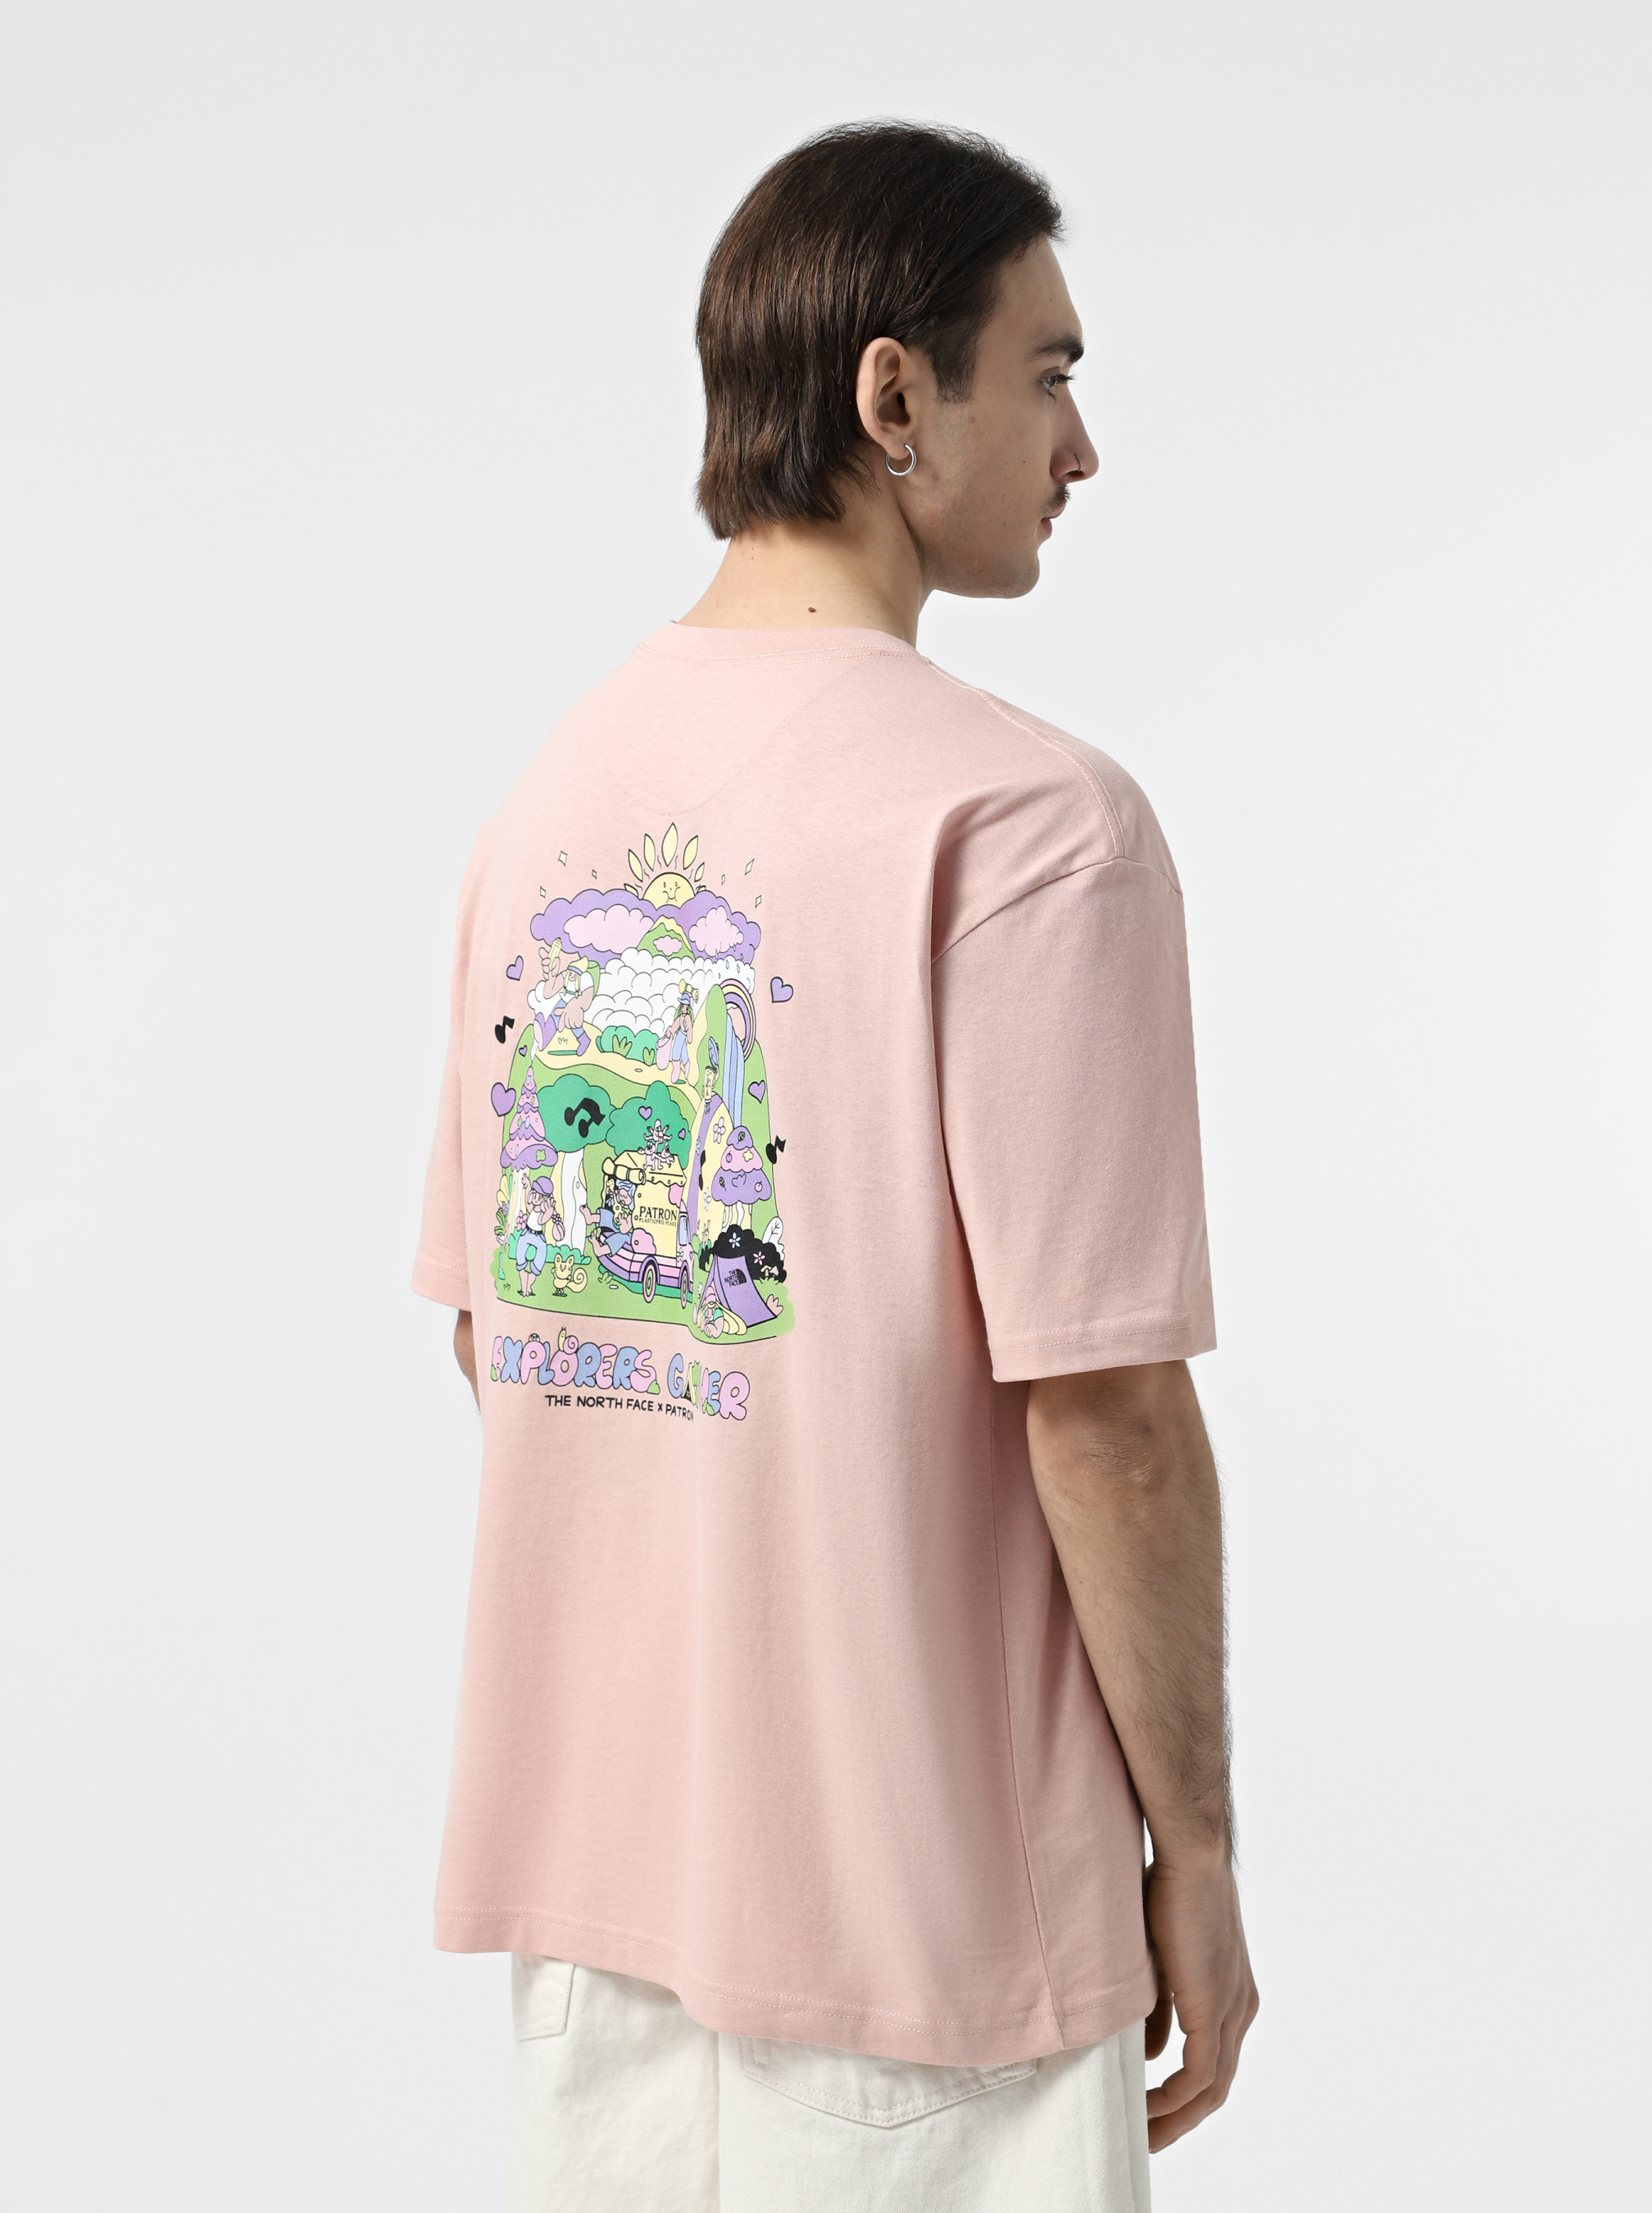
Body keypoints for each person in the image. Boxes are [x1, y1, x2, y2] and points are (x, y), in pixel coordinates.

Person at [411, 120, 1257, 2211]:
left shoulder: (552, 799)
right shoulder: (1026, 824)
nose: (1080, 448)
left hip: (605, 1916)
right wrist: (1198, 1852)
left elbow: (505, 1338)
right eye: (1046, 375)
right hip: (933, 1932)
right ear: (894, 397)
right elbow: (1106, 1420)